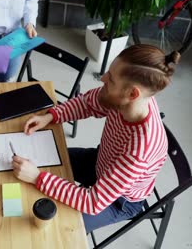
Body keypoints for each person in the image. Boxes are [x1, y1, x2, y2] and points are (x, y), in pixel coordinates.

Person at [11, 44, 181, 232]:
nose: (103, 78)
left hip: (119, 200)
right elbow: (88, 103)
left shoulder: (139, 152)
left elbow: (93, 202)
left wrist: (37, 177)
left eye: (111, 80)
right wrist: (51, 116)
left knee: (57, 229)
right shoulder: (125, 99)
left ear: (132, 94)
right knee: (43, 159)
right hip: (101, 161)